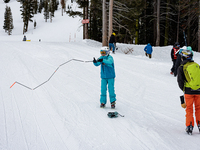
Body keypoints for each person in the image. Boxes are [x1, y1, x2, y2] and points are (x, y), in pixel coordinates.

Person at [177, 49, 200, 134]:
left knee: (189, 109)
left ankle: (189, 126)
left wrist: (184, 89)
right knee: (199, 108)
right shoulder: (197, 65)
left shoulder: (181, 67)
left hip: (188, 91)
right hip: (199, 91)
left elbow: (180, 81)